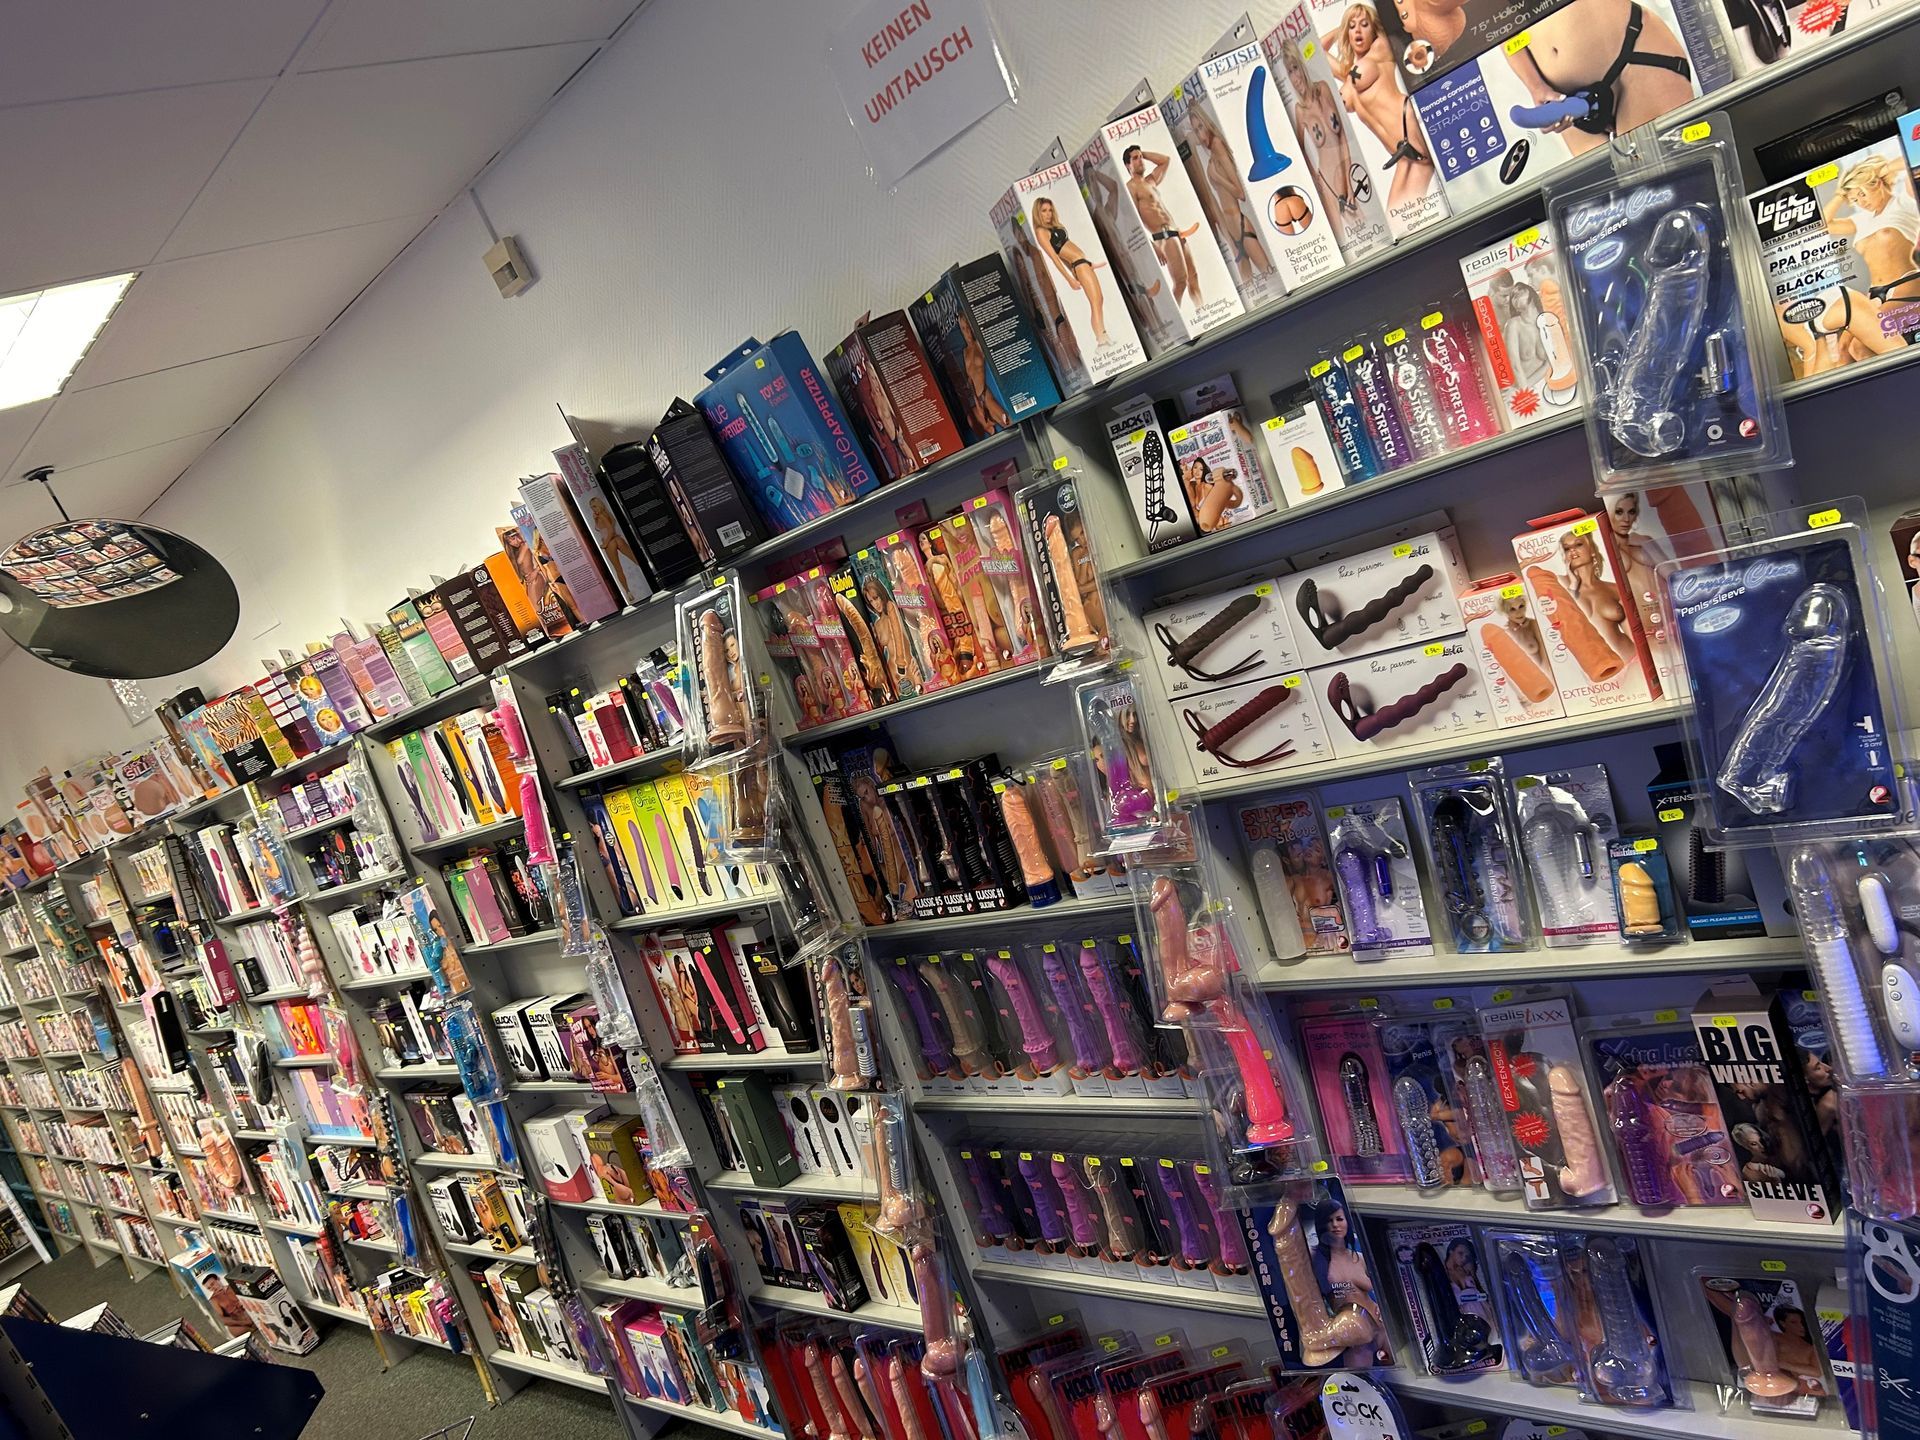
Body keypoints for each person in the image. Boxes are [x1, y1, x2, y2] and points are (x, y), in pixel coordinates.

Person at [1504, 0, 1693, 151]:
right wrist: (1536, 87)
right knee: (1616, 187)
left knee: (1673, 177)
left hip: (1632, 57)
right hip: (1565, 98)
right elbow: (1499, 27)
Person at [1329, 4, 1438, 214]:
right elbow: (1317, 50)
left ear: (1374, 28)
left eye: (1364, 24)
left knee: (1410, 216)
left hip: (1410, 125)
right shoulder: (1348, 75)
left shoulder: (1382, 48)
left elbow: (1403, 22)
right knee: (1400, 219)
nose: (1358, 30)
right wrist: (1341, 28)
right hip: (1401, 153)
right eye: (1352, 26)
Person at [1184, 106, 1277, 286]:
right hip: (1232, 232)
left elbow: (1240, 193)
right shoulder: (1211, 153)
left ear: (1207, 124)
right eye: (1196, 129)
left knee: (1271, 279)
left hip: (1240, 225)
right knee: (1253, 292)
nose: (1199, 134)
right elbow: (1189, 138)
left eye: (1201, 127)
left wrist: (1217, 177)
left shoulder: (1218, 145)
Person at [1123, 145, 1205, 311]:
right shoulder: (1130, 187)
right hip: (1163, 236)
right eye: (1135, 158)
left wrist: (1143, 153)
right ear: (1127, 165)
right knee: (1180, 282)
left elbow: (1165, 160)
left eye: (1141, 157)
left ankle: (1202, 310)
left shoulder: (1150, 181)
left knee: (1193, 276)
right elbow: (1133, 221)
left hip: (1177, 233)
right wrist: (1152, 246)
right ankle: (1175, 317)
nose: (1140, 160)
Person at [1030, 196, 1113, 345]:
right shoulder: (1041, 231)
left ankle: (1103, 336)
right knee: (1095, 302)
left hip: (1082, 264)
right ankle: (1101, 339)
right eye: (1044, 211)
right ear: (1037, 213)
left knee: (1099, 300)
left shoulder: (1054, 227)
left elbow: (1068, 249)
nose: (1048, 214)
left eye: (1050, 210)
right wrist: (1070, 279)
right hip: (1079, 265)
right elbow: (1055, 258)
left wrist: (1088, 263)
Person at [1310, 1199, 1384, 1364]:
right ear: (1321, 1224)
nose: (1335, 1225)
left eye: (1339, 1219)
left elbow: (1383, 1288)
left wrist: (1383, 1306)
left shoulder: (1360, 1257)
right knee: (1358, 1377)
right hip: (1354, 1336)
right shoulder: (1315, 1258)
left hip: (1381, 1326)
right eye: (1329, 1220)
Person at [1559, 528, 1631, 654]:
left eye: (1578, 544)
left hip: (1631, 657)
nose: (1572, 550)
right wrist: (1573, 586)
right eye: (1566, 548)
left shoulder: (1614, 588)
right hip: (1595, 663)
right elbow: (1564, 622)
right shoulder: (1559, 582)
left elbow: (1633, 634)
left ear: (1592, 549)